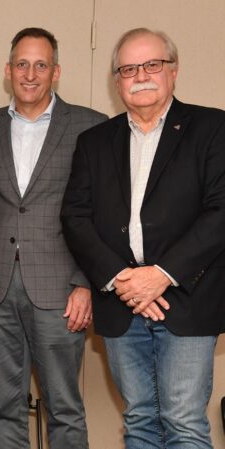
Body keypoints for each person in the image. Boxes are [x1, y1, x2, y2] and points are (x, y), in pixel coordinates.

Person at [61, 28, 225, 448]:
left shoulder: (212, 128)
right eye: (129, 69)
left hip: (188, 298)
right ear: (117, 81)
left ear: (173, 71)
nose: (141, 76)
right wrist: (122, 279)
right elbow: (75, 217)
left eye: (152, 65)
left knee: (184, 421)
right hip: (122, 302)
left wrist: (163, 275)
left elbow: (220, 211)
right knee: (138, 422)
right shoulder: (94, 141)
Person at [0, 28, 106, 449]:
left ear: (55, 71)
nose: (30, 74)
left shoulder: (90, 126)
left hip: (61, 289)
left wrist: (85, 282)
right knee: (4, 408)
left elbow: (100, 216)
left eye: (41, 64)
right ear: (8, 71)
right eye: (21, 64)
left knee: (65, 409)